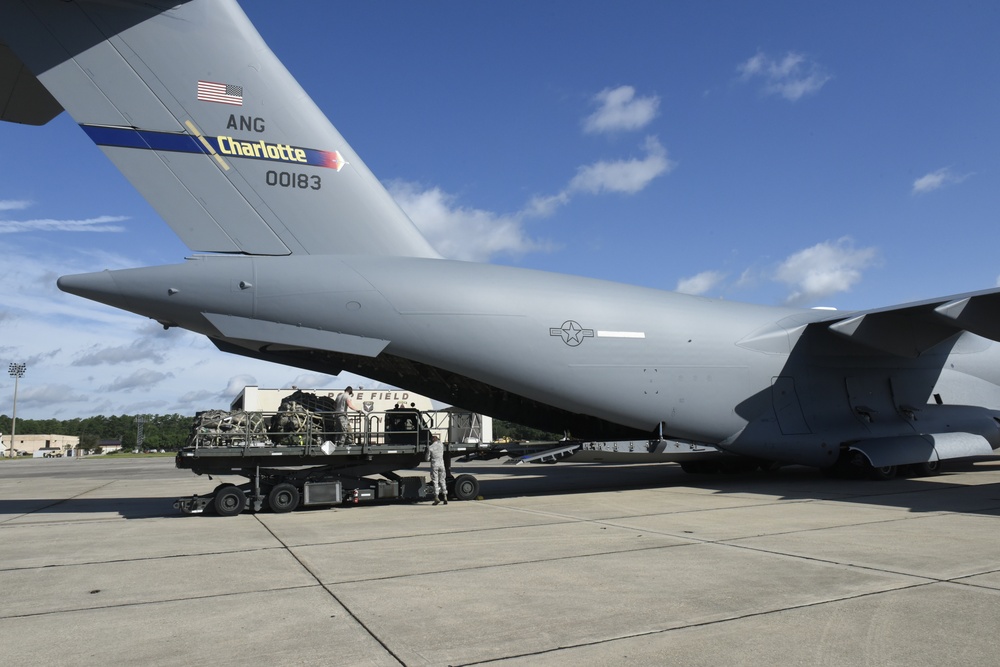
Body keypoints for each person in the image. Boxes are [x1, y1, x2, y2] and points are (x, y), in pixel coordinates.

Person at [426, 434, 447, 505]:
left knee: (435, 481)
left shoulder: (430, 447)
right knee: (442, 480)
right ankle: (445, 496)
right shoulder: (441, 445)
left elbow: (427, 458)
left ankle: (436, 497)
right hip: (442, 464)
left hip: (435, 465)